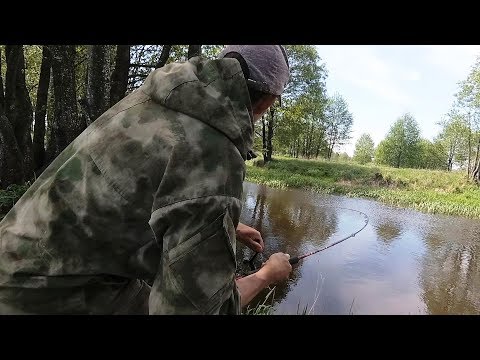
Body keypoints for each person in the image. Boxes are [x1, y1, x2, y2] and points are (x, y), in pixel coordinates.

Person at [0, 45, 292, 315]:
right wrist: (267, 275)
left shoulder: (152, 100)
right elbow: (195, 309)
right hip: (40, 297)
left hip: (13, 261)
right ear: (265, 103)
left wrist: (229, 225)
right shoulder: (214, 153)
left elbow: (134, 189)